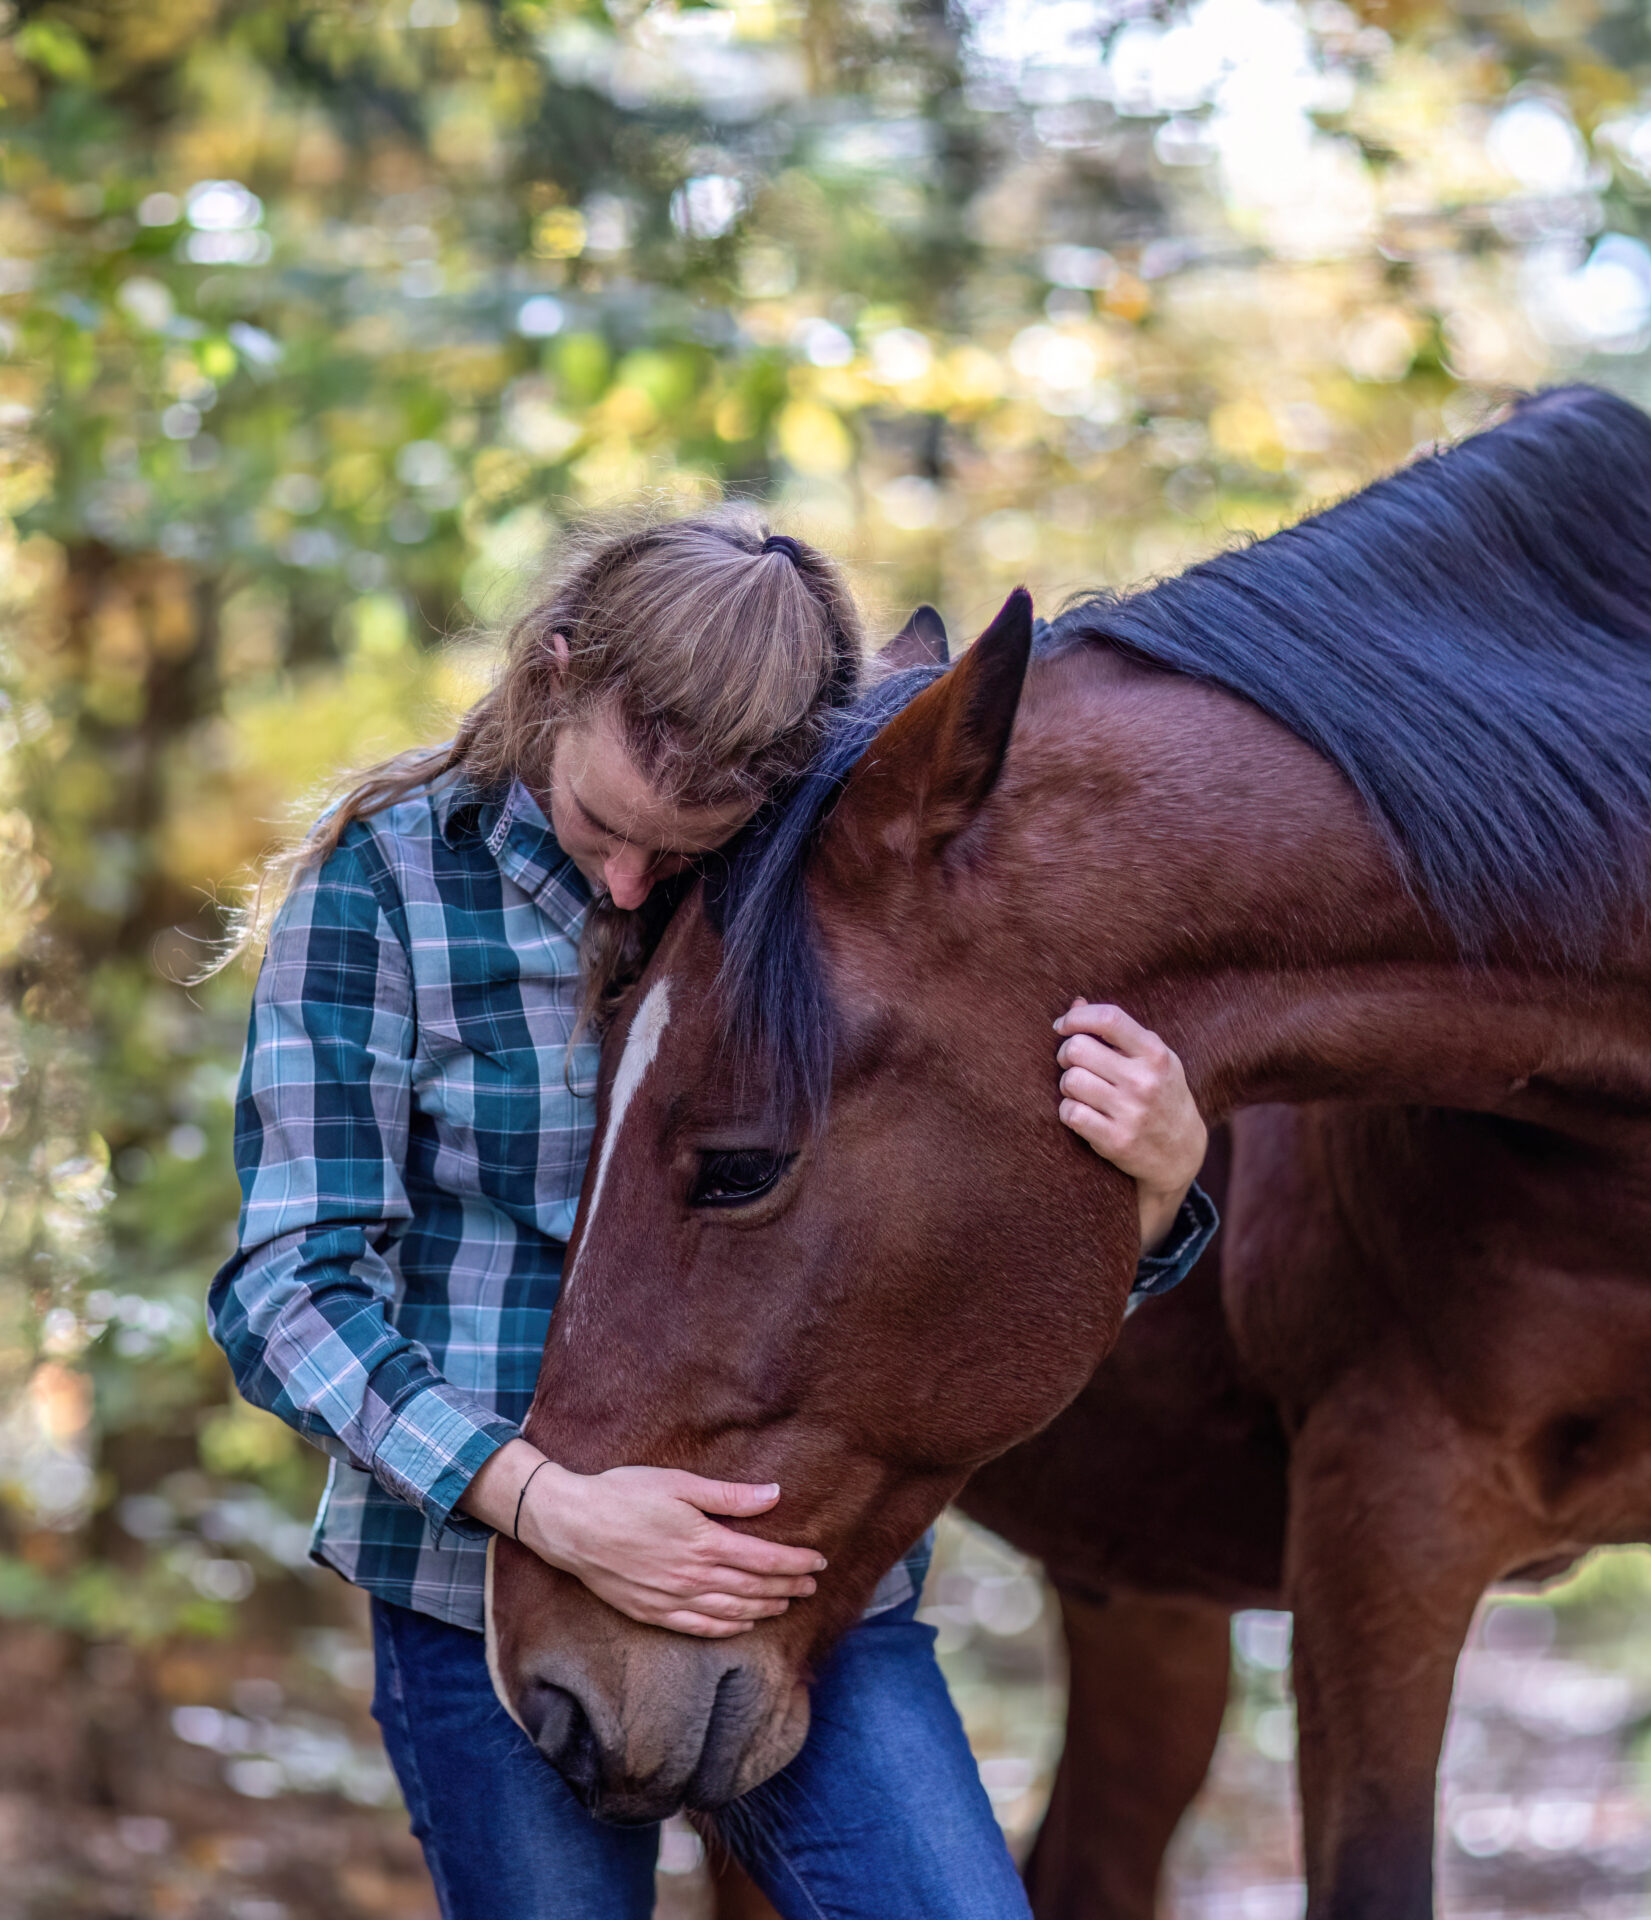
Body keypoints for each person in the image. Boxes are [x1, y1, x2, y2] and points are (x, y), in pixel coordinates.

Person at [207, 506, 1215, 1916]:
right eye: (604, 827)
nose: (630, 885)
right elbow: (287, 1292)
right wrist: (548, 1506)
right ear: (554, 674)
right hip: (479, 1593)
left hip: (800, 1589)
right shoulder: (387, 889)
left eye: (678, 850)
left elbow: (938, 1266)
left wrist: (1156, 1197)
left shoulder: (803, 878)